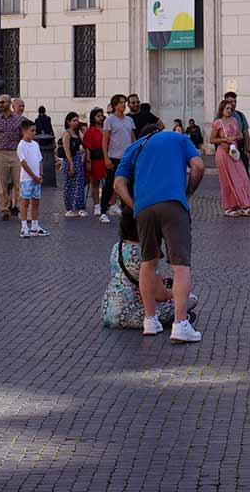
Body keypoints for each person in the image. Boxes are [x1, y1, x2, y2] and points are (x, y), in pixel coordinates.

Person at [112, 122, 206, 344]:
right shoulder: (179, 138)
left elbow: (118, 183)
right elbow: (199, 167)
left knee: (148, 262)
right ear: (159, 130)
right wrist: (188, 192)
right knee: (180, 265)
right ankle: (181, 324)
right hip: (172, 203)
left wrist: (134, 205)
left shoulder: (134, 147)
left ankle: (150, 320)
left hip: (143, 208)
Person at [101, 209, 191, 329]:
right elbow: (160, 294)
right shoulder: (146, 254)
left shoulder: (118, 247)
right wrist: (174, 294)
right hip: (130, 312)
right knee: (189, 299)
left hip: (108, 310)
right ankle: (177, 320)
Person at [211, 98, 250, 216]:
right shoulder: (217, 123)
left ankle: (244, 205)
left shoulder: (234, 120)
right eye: (227, 108)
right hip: (223, 153)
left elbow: (239, 134)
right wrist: (225, 139)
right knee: (227, 181)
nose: (229, 110)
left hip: (234, 153)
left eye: (231, 108)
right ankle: (230, 207)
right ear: (222, 109)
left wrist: (238, 137)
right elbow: (212, 139)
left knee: (242, 178)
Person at [0, 96, 23, 221]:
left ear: (9, 103)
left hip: (15, 153)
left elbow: (23, 139)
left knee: (19, 182)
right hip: (0, 153)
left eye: (3, 102)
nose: (0, 105)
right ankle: (4, 209)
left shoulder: (19, 120)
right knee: (1, 185)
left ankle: (19, 207)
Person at [99, 95, 134, 221]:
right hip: (114, 156)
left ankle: (128, 209)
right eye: (121, 103)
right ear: (115, 105)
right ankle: (103, 211)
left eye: (124, 103)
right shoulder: (110, 120)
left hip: (128, 157)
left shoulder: (129, 120)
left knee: (128, 185)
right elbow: (105, 140)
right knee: (109, 184)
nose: (123, 105)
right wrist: (106, 158)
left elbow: (132, 138)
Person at [16, 118, 48, 238]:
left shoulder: (35, 144)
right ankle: (24, 227)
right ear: (24, 131)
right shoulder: (21, 145)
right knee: (24, 202)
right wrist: (34, 176)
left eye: (35, 131)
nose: (34, 133)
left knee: (36, 202)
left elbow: (39, 160)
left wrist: (40, 175)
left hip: (36, 178)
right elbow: (23, 163)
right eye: (32, 131)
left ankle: (35, 226)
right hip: (27, 179)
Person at [58, 112, 88, 217]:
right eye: (74, 120)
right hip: (70, 160)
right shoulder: (67, 134)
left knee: (79, 184)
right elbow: (66, 150)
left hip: (78, 159)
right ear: (68, 122)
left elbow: (83, 144)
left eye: (77, 120)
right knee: (69, 185)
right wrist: (71, 164)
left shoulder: (76, 132)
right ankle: (70, 208)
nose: (76, 122)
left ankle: (79, 206)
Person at [82, 107, 107, 217]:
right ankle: (97, 205)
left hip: (106, 157)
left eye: (101, 115)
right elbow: (87, 147)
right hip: (95, 158)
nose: (100, 118)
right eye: (98, 116)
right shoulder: (90, 131)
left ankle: (108, 204)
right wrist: (88, 161)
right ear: (93, 118)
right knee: (95, 183)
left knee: (109, 182)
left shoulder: (106, 128)